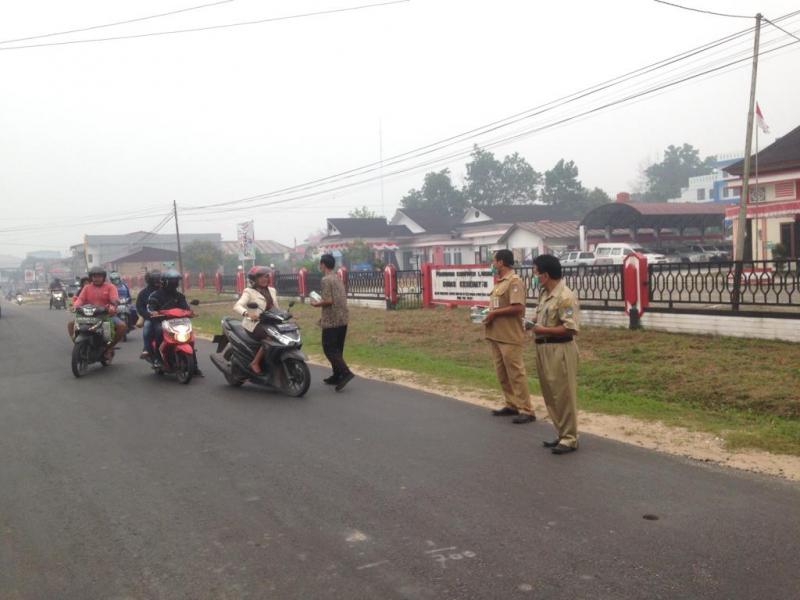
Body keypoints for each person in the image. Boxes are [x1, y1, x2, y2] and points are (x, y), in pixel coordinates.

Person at [532, 254, 580, 455]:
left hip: (560, 350)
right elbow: (540, 318)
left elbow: (570, 328)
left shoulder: (565, 296)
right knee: (551, 395)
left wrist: (542, 329)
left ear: (545, 275)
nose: (534, 277)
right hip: (543, 348)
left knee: (563, 395)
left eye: (536, 273)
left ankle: (570, 438)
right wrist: (531, 324)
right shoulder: (545, 294)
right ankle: (561, 433)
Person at [483, 249, 536, 424]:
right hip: (496, 334)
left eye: (494, 261)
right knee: (502, 373)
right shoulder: (500, 282)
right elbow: (498, 304)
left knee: (516, 374)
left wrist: (494, 313)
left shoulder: (514, 281)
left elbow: (518, 307)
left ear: (501, 262)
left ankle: (527, 410)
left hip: (509, 335)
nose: (493, 264)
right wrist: (488, 312)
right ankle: (511, 404)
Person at [310, 254, 353, 391]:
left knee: (329, 348)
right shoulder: (337, 277)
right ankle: (336, 375)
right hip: (343, 318)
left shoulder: (326, 279)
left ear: (323, 264)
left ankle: (345, 373)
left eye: (320, 263)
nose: (320, 266)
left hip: (331, 320)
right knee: (338, 349)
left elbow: (328, 300)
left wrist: (316, 304)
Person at [147, 270, 202, 375]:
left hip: (179, 321)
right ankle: (158, 359)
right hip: (162, 321)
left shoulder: (179, 296)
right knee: (159, 331)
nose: (175, 283)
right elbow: (151, 306)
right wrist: (153, 311)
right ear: (164, 282)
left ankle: (194, 366)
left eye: (176, 281)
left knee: (189, 338)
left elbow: (185, 307)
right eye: (172, 281)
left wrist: (190, 312)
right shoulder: (156, 295)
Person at [71, 266, 126, 360]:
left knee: (122, 326)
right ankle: (78, 344)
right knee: (70, 324)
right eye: (94, 276)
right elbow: (80, 299)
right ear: (91, 277)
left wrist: (113, 306)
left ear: (103, 277)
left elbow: (114, 299)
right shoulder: (87, 287)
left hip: (106, 315)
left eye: (99, 276)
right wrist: (75, 306)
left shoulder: (110, 287)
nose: (97, 278)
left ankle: (109, 348)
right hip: (88, 315)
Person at [233, 266, 280, 374]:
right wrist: (247, 313)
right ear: (254, 279)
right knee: (270, 338)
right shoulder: (249, 292)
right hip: (254, 324)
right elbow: (237, 306)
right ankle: (255, 362)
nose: (264, 279)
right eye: (260, 277)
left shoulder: (272, 290)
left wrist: (286, 314)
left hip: (270, 322)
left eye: (266, 276)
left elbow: (276, 307)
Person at [136, 270, 161, 360]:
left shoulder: (166, 290)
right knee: (148, 327)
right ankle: (147, 348)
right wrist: (147, 314)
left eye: (159, 280)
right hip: (151, 318)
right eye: (155, 280)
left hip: (168, 317)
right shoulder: (143, 293)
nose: (158, 282)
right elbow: (140, 307)